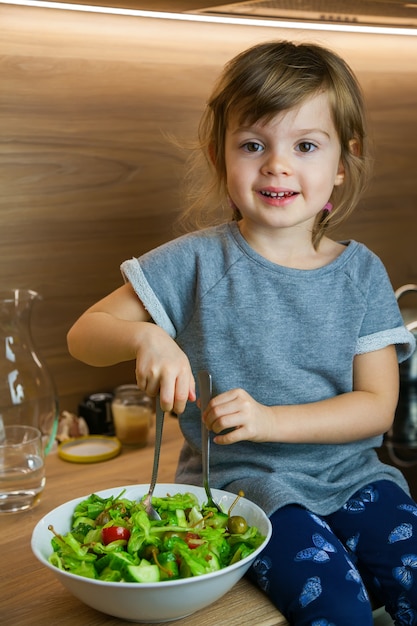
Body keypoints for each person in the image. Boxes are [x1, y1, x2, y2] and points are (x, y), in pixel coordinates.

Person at [67, 41, 417, 625]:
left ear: (340, 162)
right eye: (254, 145)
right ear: (219, 155)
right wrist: (146, 338)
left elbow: (377, 407)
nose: (277, 164)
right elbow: (84, 334)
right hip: (243, 489)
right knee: (338, 605)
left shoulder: (362, 273)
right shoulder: (194, 262)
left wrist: (271, 419)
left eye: (305, 145)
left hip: (357, 480)